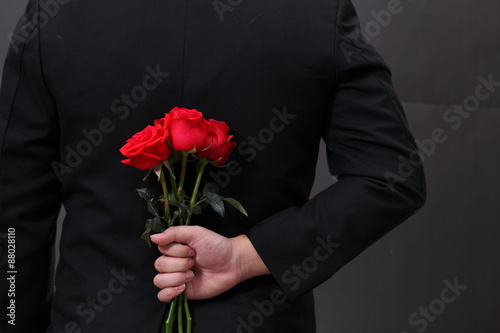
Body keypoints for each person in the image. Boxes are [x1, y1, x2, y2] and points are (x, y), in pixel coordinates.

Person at [0, 0, 425, 332]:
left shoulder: (57, 14)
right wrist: (248, 255)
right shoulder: (315, 13)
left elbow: (15, 217)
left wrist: (13, 319)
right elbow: (391, 178)